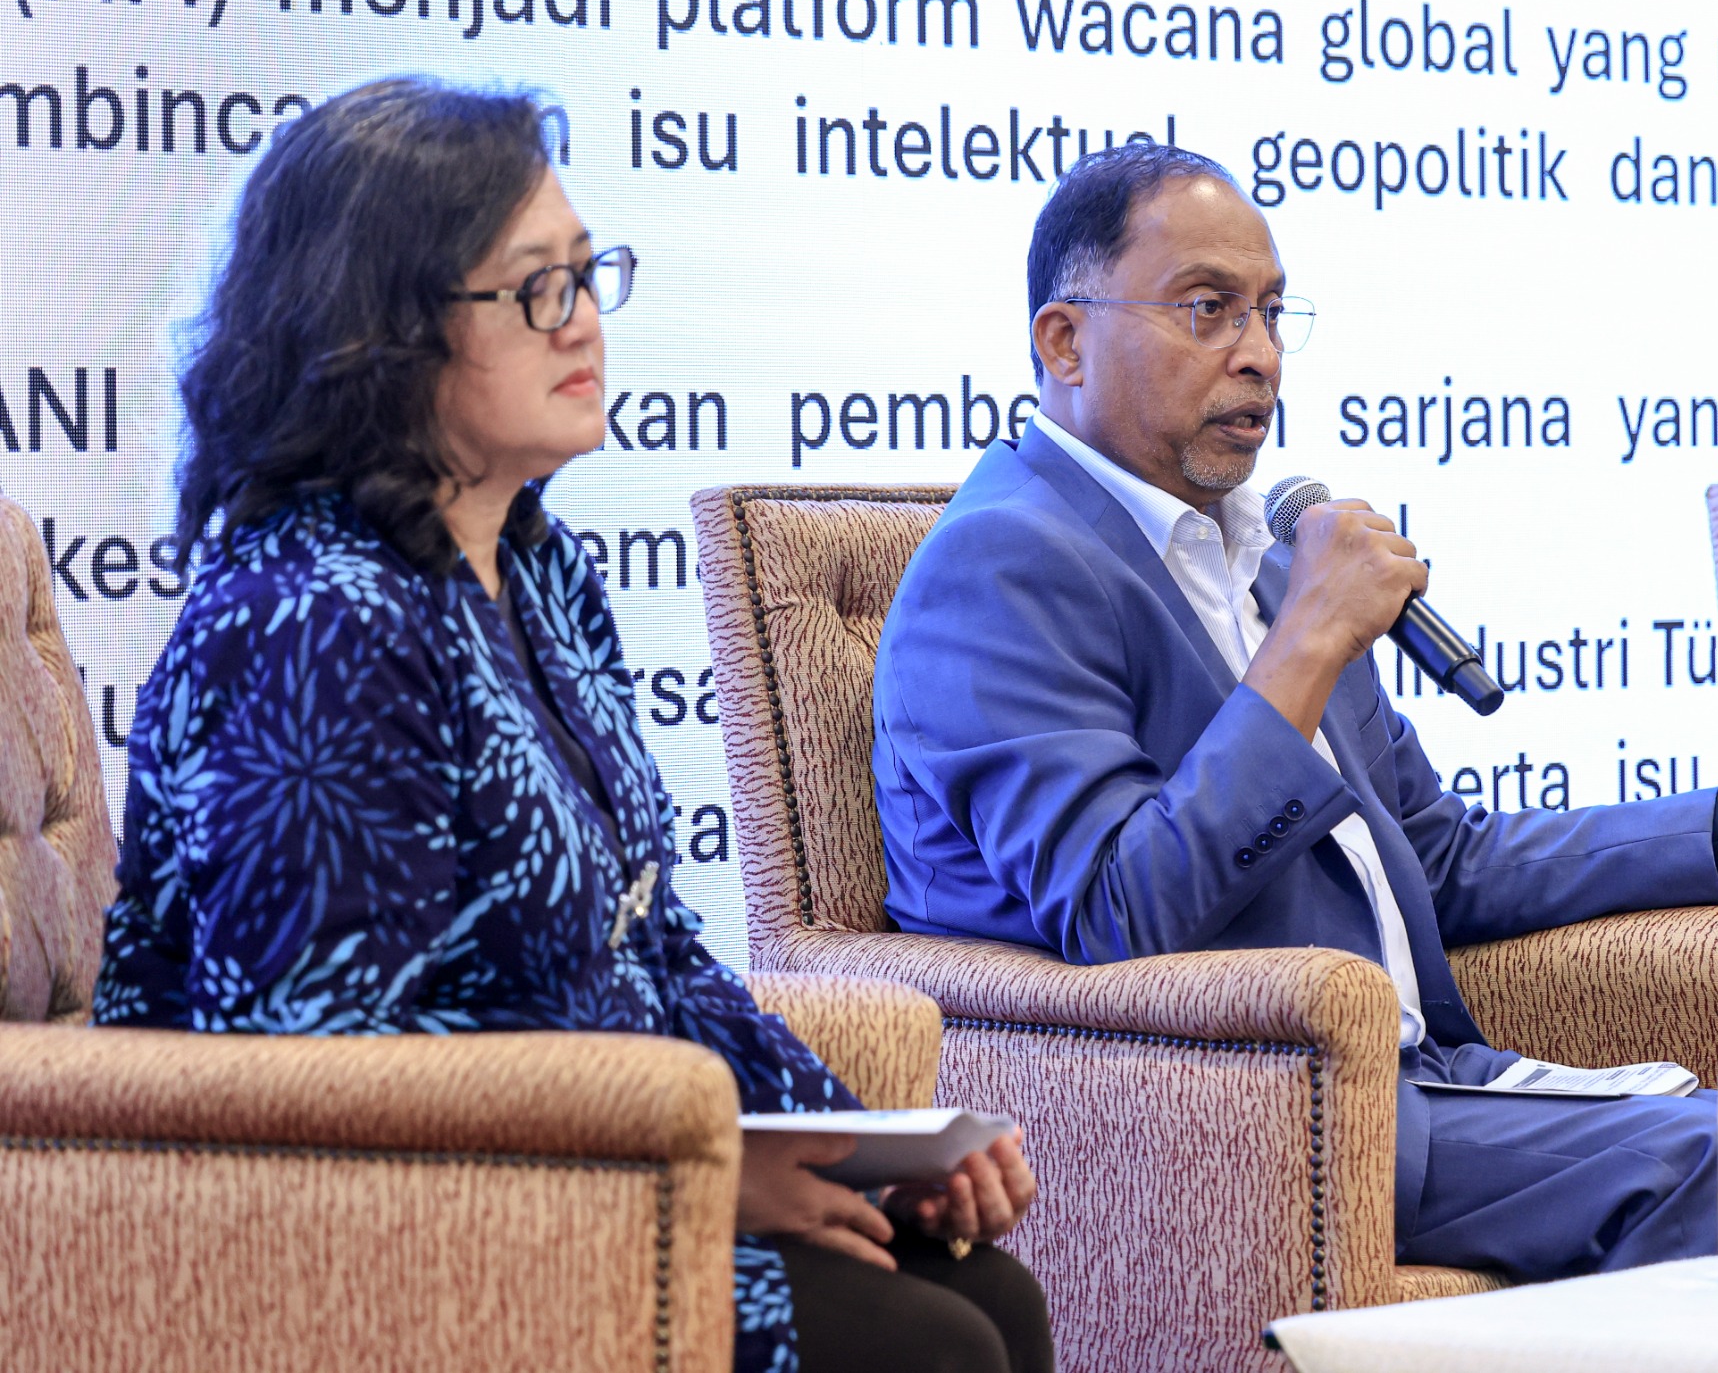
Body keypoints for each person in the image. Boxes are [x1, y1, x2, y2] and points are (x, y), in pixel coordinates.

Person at [94, 77, 1051, 1373]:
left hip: (590, 1171)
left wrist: (860, 1147)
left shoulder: (540, 571)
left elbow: (651, 947)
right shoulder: (310, 620)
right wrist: (685, 1168)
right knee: (925, 1345)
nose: (585, 319)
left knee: (987, 1288)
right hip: (389, 1227)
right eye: (536, 287)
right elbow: (321, 1068)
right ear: (382, 326)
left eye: (589, 275)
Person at [869, 142, 1718, 1280]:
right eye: (1209, 309)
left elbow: (1437, 856)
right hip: (1242, 1117)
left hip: (1413, 1088)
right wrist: (1308, 642)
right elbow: (1119, 912)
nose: (1260, 355)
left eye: (1271, 313)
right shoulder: (1002, 565)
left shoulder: (1268, 562)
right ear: (1063, 341)